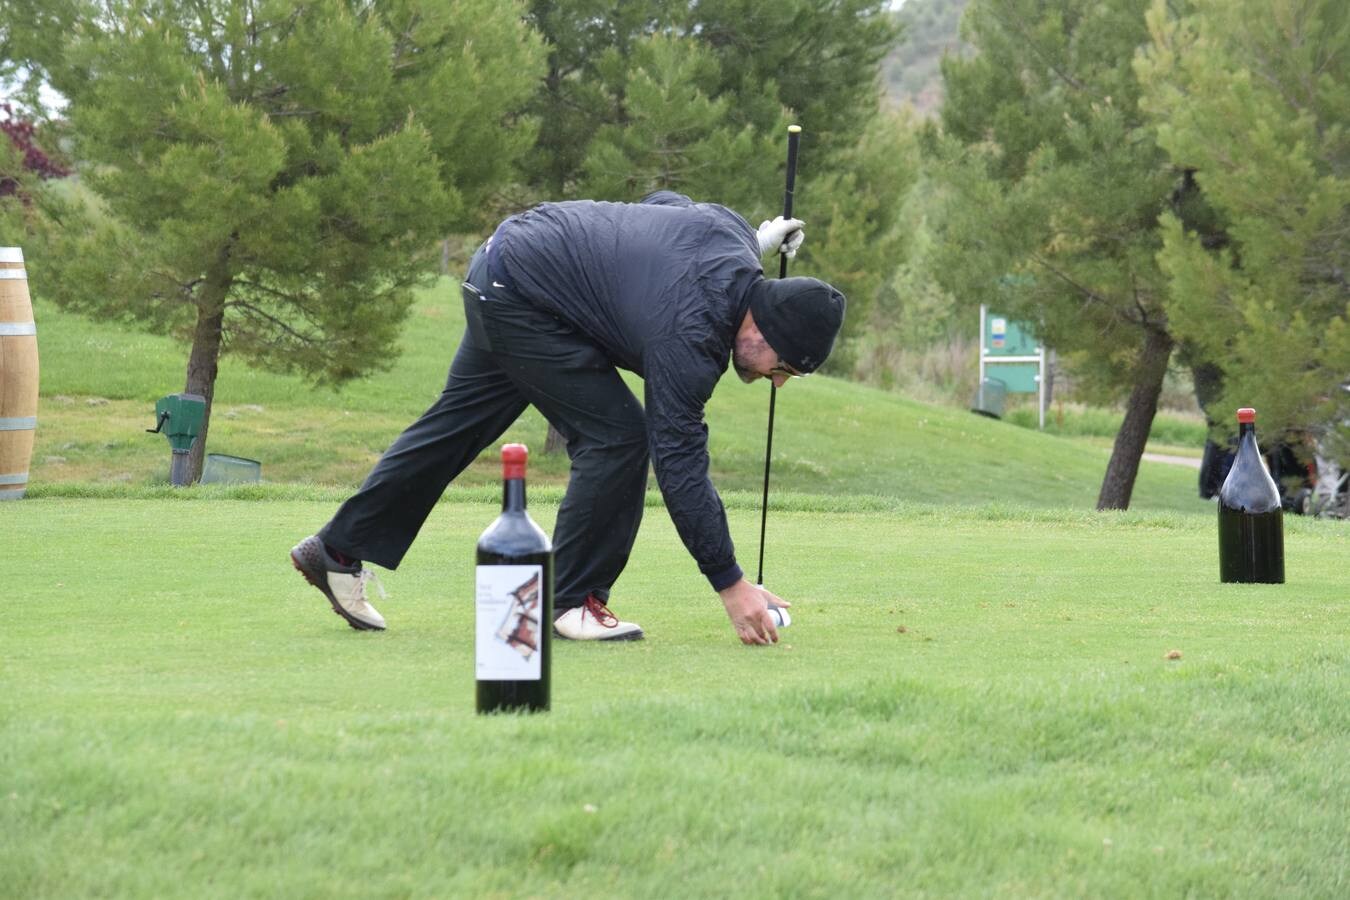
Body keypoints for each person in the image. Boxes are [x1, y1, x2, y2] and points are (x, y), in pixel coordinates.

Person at [290, 191, 845, 646]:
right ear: (763, 330)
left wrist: (752, 243)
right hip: (524, 296)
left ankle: (337, 549)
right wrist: (730, 582)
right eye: (785, 367)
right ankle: (574, 601)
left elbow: (665, 204)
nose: (776, 381)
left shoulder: (728, 231)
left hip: (508, 265)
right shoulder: (692, 335)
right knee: (620, 438)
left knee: (454, 427)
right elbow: (679, 462)